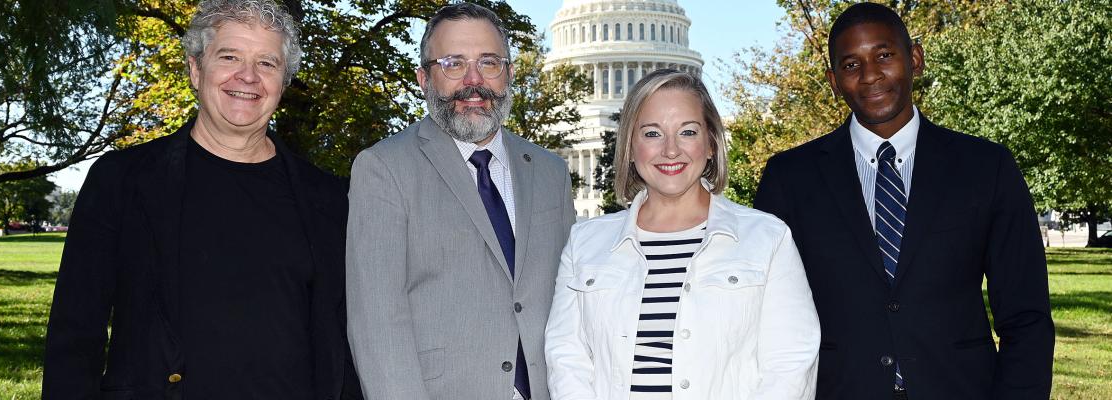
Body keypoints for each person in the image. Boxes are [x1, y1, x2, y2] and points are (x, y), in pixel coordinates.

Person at [42, 0, 362, 398]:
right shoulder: (123, 180)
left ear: (284, 81)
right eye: (229, 56)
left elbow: (346, 341)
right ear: (196, 69)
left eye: (267, 63)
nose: (248, 77)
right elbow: (75, 334)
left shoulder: (330, 197)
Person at [754, 3, 1055, 399]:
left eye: (884, 55)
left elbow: (1027, 317)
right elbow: (765, 320)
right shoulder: (789, 178)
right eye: (850, 65)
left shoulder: (986, 167)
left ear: (915, 58)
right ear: (832, 80)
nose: (871, 76)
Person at [344, 3, 576, 400]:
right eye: (453, 64)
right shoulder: (383, 168)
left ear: (509, 74)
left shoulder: (551, 172)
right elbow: (377, 322)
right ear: (423, 78)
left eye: (489, 62)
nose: (474, 81)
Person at [545, 69, 821, 400]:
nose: (671, 150)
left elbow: (790, 366)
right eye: (652, 134)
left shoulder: (767, 239)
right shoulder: (585, 244)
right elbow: (567, 360)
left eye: (687, 132)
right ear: (631, 148)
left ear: (711, 144)